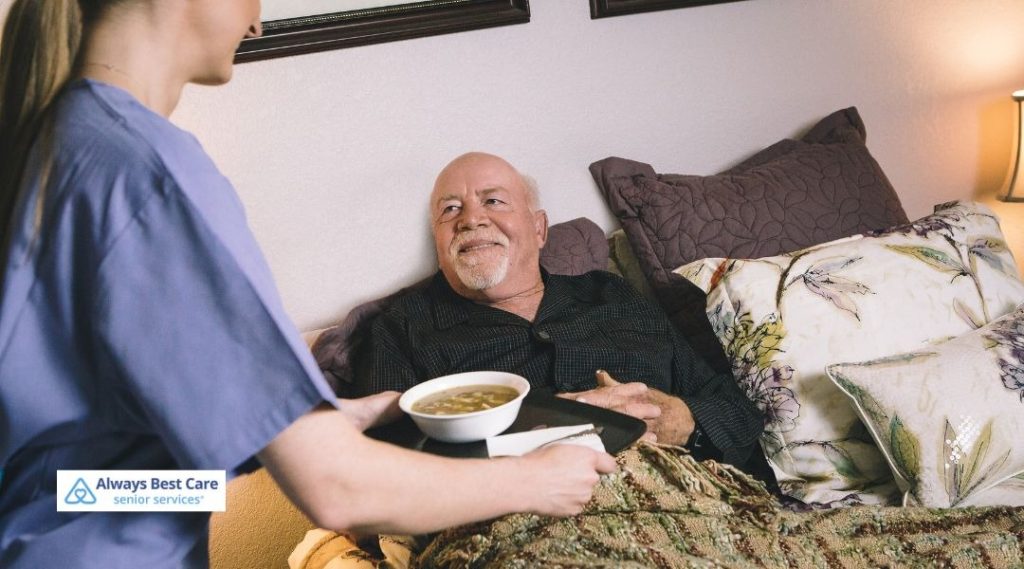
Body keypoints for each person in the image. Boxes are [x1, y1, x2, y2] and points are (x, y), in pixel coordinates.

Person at [0, 2, 617, 568]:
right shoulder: (149, 173)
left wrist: (312, 425)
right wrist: (537, 479)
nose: (258, 22)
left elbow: (76, 485)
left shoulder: (59, 143)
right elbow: (337, 491)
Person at [348, 152, 773, 476]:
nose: (472, 219)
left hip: (685, 489)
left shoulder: (612, 295)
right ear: (439, 240)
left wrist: (682, 421)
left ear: (538, 229)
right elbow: (379, 467)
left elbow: (736, 410)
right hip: (526, 512)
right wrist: (556, 421)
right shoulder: (402, 328)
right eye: (450, 210)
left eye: (493, 201)